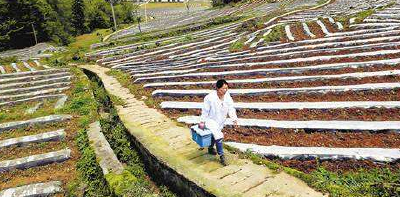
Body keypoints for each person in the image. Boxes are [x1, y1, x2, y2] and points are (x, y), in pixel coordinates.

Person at [199, 79, 238, 166]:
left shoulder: (227, 96)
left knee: (215, 134)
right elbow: (205, 111)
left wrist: (234, 118)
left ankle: (210, 147)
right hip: (211, 120)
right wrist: (202, 122)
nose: (224, 91)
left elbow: (231, 107)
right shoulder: (209, 98)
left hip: (220, 120)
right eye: (222, 89)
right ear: (217, 88)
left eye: (226, 88)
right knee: (218, 136)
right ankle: (222, 156)